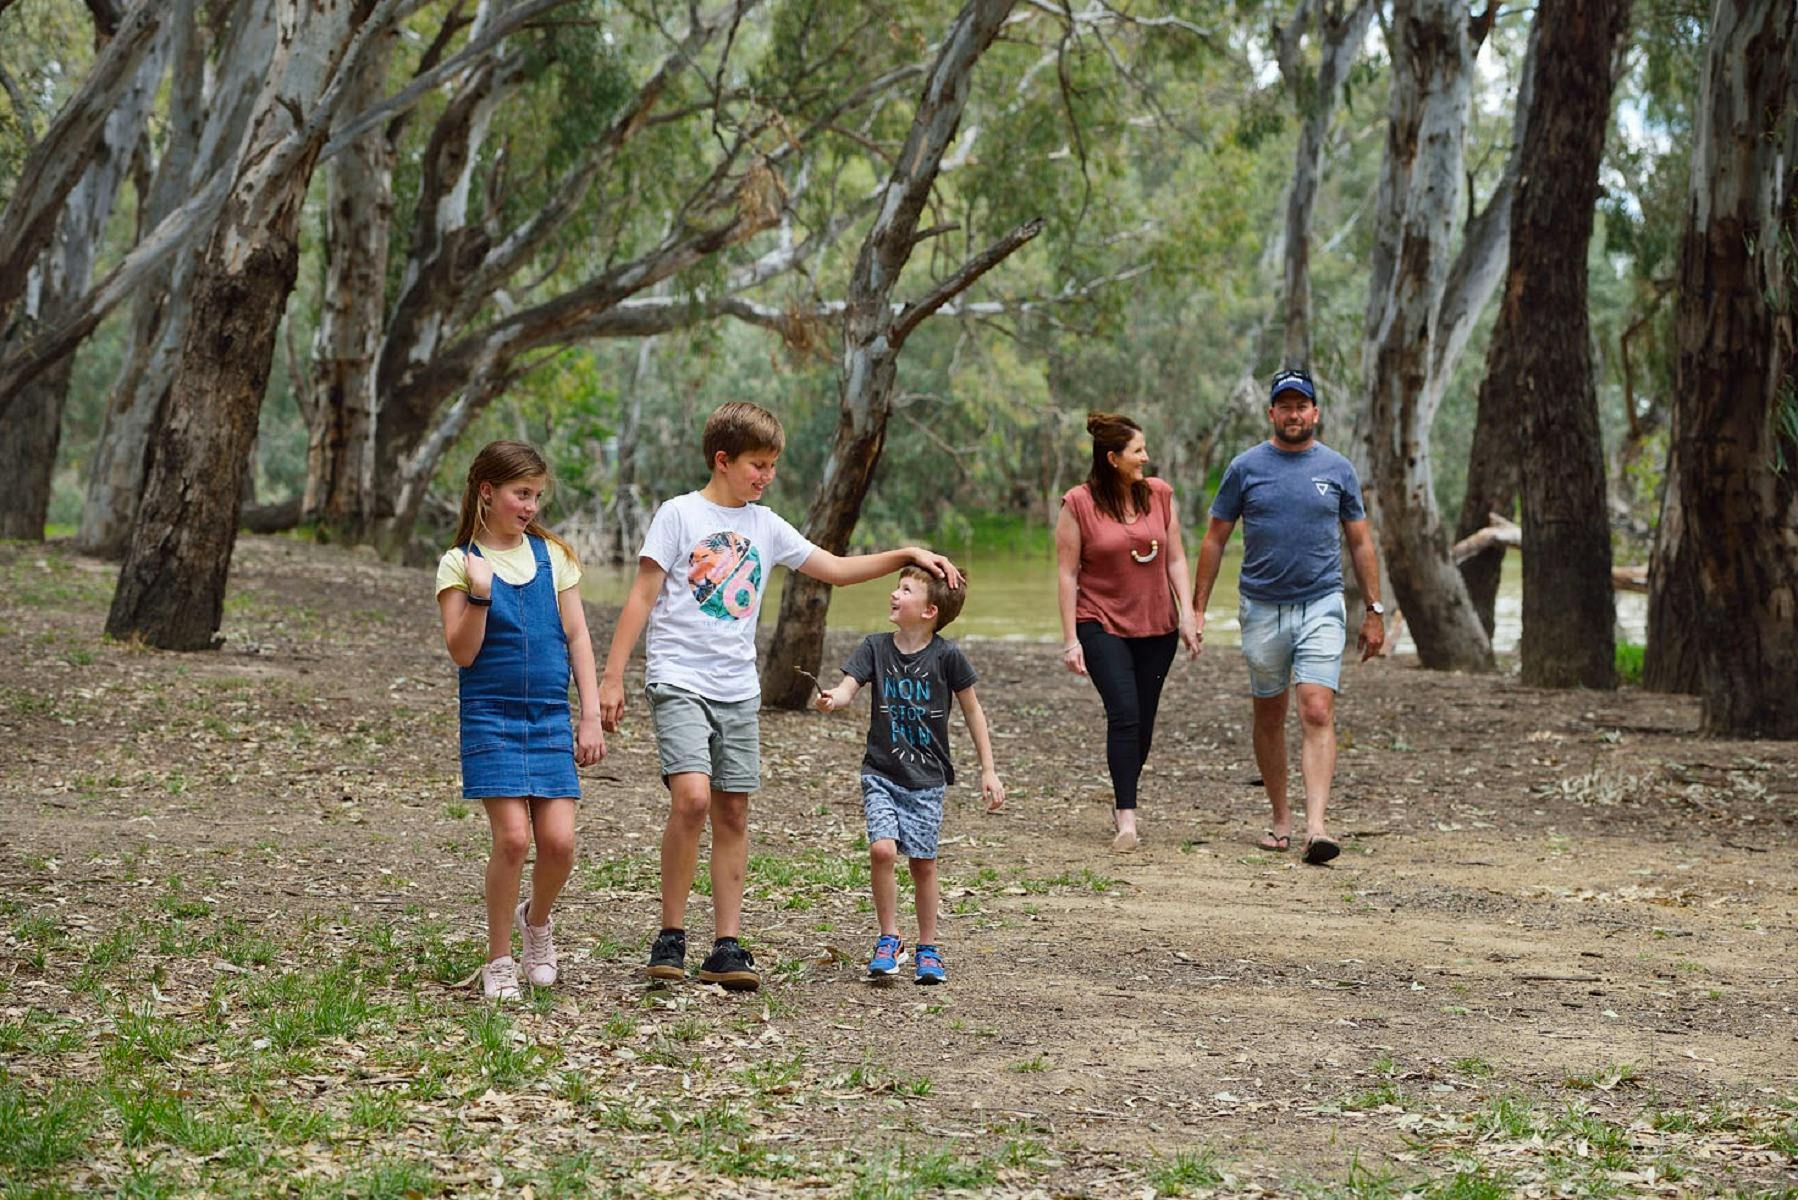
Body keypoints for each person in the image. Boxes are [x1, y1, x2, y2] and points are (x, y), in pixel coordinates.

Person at [599, 402, 962, 992]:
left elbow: (836, 569)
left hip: (736, 690)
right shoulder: (679, 515)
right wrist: (611, 677)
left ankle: (726, 945)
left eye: (771, 466)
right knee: (692, 800)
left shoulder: (766, 526)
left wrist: (906, 554)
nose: (766, 476)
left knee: (733, 810)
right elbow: (641, 596)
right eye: (757, 465)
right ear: (723, 460)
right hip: (679, 677)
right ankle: (670, 936)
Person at [1190, 368, 1385, 865]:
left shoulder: (1337, 469)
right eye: (1286, 405)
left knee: (1316, 707)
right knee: (1269, 713)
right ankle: (1281, 818)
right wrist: (1197, 608)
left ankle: (1317, 827)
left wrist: (1375, 610)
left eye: (1303, 405)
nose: (1294, 413)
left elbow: (1361, 541)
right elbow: (1215, 538)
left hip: (1321, 602)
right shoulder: (1245, 468)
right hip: (1261, 607)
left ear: (1315, 413)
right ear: (1272, 412)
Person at [436, 441, 606, 1000]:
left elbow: (577, 635)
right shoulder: (460, 563)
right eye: (520, 493)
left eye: (536, 495)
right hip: (491, 716)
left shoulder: (553, 557)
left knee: (558, 845)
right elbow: (462, 653)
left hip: (549, 717)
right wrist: (480, 598)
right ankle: (500, 957)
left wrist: (590, 715)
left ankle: (538, 923)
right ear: (487, 492)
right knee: (512, 839)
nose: (531, 505)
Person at [813, 567, 1004, 985]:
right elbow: (849, 688)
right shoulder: (875, 648)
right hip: (881, 771)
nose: (894, 594)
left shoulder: (947, 656)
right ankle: (889, 938)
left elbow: (973, 710)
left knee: (922, 864)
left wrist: (988, 769)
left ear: (929, 611)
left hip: (927, 779)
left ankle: (928, 948)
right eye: (897, 587)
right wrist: (834, 698)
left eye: (905, 590)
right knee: (882, 851)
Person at [1056, 412, 1200, 852]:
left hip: (1157, 626)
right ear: (1113, 457)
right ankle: (1127, 819)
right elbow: (1067, 574)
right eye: (1138, 451)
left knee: (1143, 726)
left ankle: (1122, 792)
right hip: (1099, 622)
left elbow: (1175, 558)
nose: (1146, 457)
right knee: (1124, 713)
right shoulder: (1077, 503)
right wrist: (1070, 640)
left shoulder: (1159, 495)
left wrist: (1189, 614)